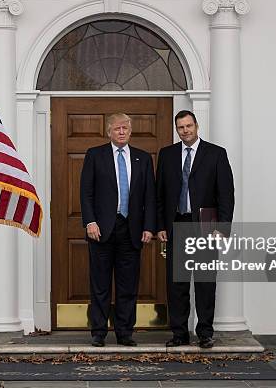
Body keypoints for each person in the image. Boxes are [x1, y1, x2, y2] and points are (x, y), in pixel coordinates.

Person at [156, 110, 235, 348]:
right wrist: (160, 226)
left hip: (207, 226)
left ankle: (204, 333)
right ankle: (179, 333)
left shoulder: (216, 154)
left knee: (205, 282)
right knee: (177, 283)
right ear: (176, 129)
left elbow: (226, 195)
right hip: (177, 224)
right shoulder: (167, 155)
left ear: (196, 126)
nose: (185, 131)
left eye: (189, 126)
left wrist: (222, 228)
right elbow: (159, 195)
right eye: (181, 127)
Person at [80, 113, 156, 347]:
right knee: (100, 284)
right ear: (109, 131)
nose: (121, 132)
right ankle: (99, 332)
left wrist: (149, 226)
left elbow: (150, 197)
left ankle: (124, 332)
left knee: (127, 285)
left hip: (131, 230)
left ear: (130, 131)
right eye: (117, 128)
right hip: (101, 230)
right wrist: (90, 221)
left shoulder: (143, 159)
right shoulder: (95, 155)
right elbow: (86, 192)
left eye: (125, 128)